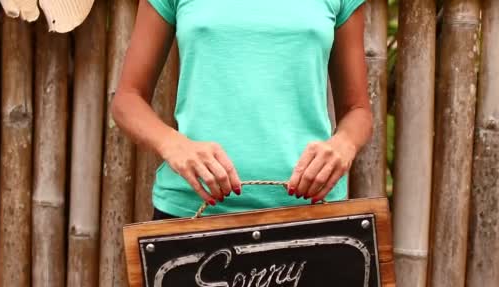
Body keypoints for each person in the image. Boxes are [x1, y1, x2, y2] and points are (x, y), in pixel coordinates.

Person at [112, 0, 373, 220]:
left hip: (312, 214)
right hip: (191, 214)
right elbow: (127, 100)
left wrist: (344, 144)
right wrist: (172, 144)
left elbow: (357, 109)